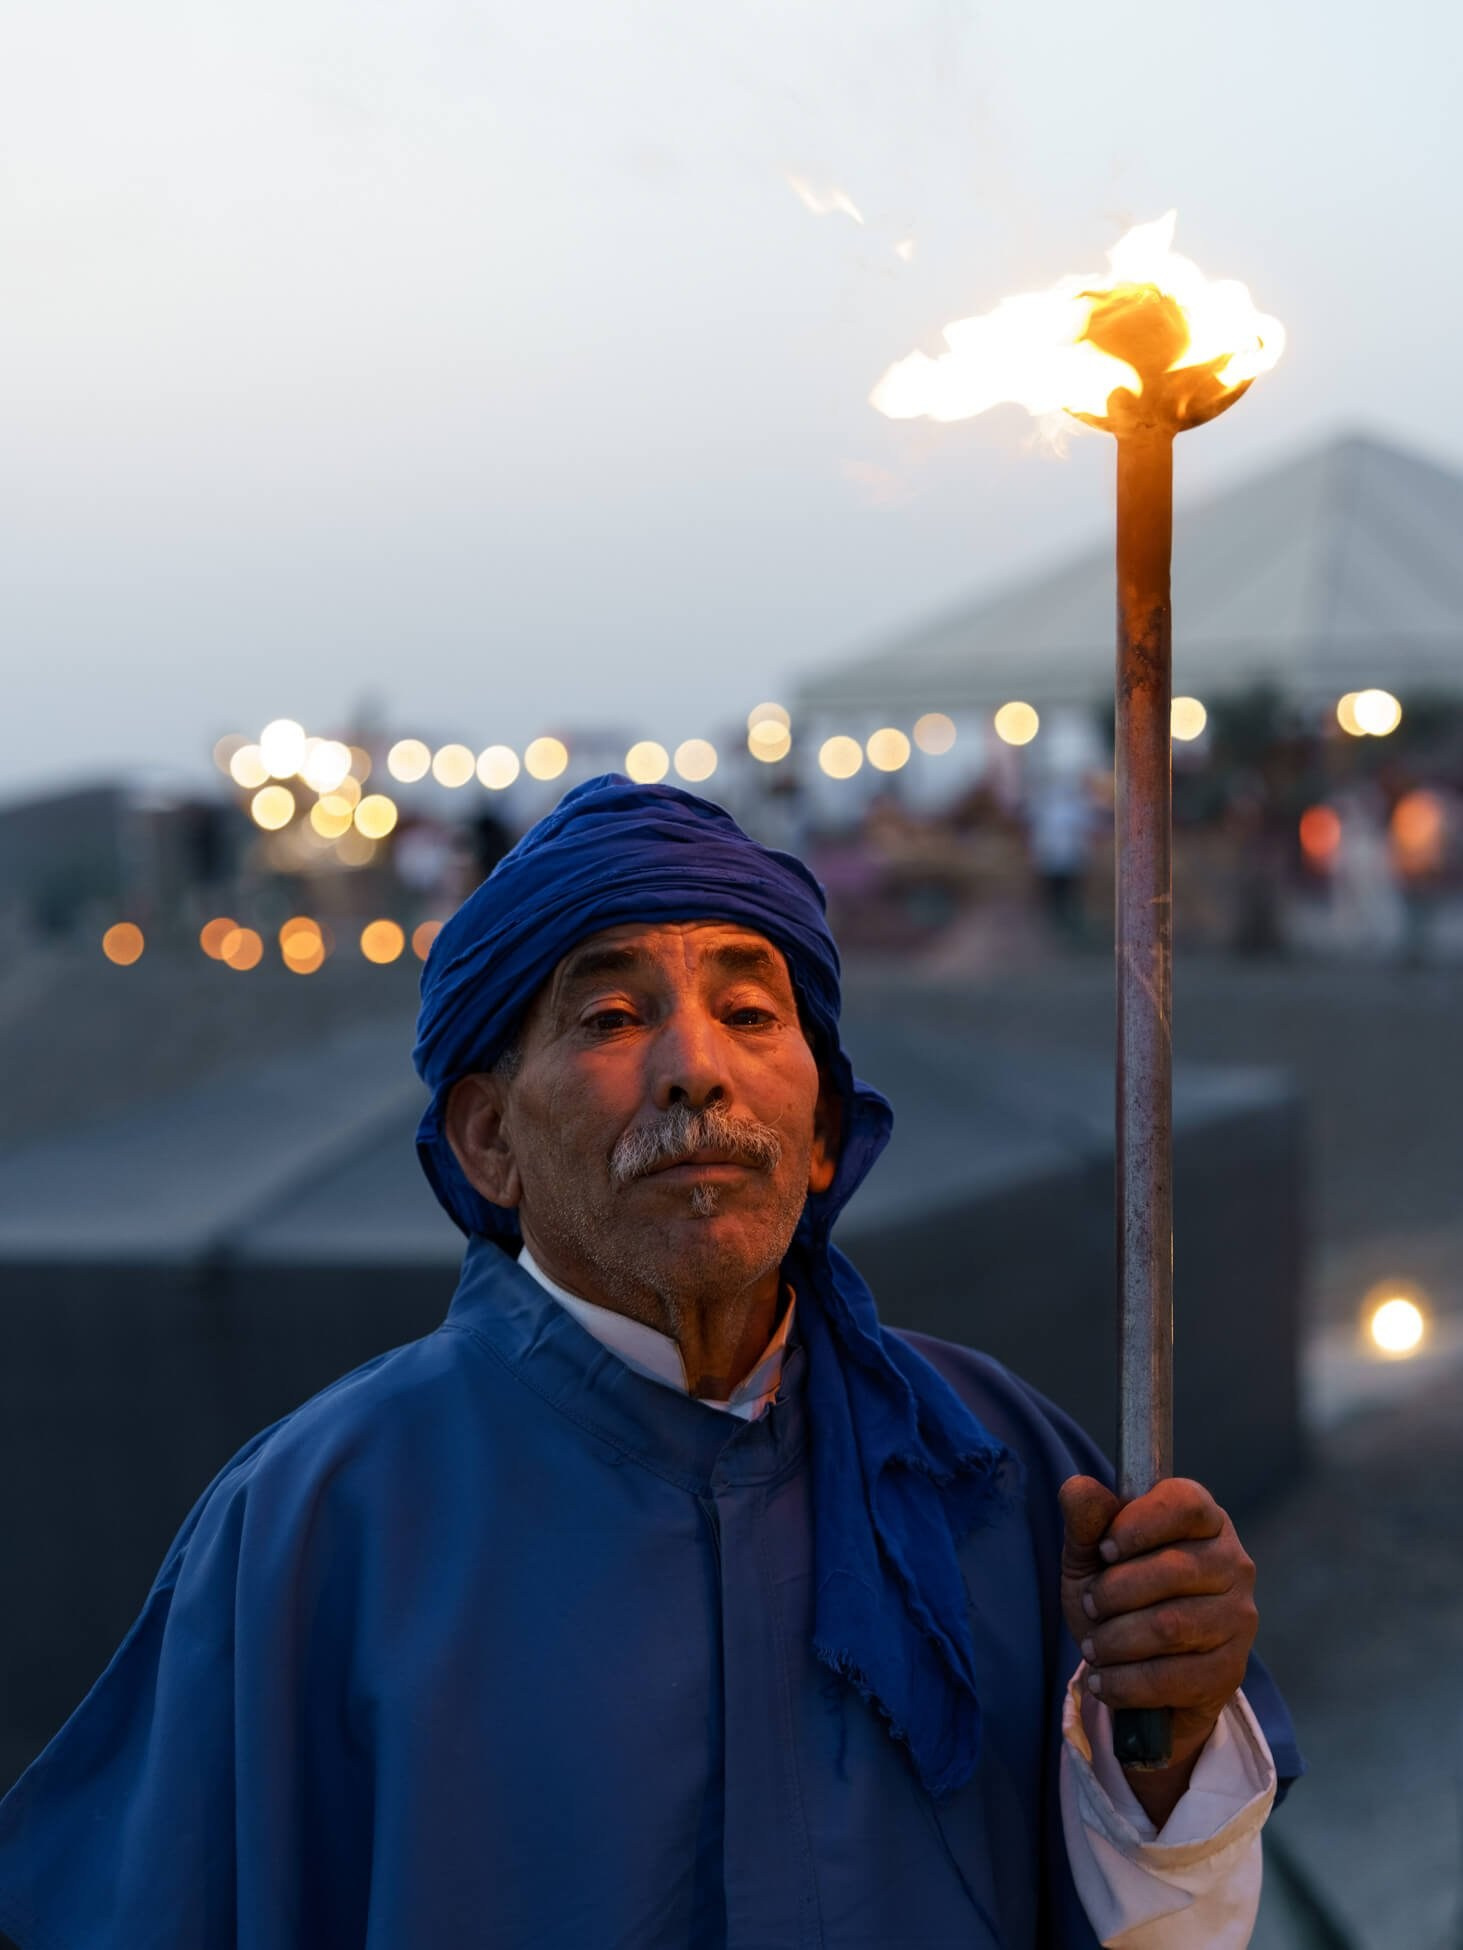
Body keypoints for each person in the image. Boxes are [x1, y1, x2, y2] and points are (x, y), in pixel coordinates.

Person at [0, 777, 1300, 1949]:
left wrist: (1166, 1753)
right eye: (614, 1014)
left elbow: (1153, 1919)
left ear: (826, 1129)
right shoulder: (319, 1524)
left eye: (749, 1008)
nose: (696, 1071)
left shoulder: (994, 1470)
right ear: (488, 1138)